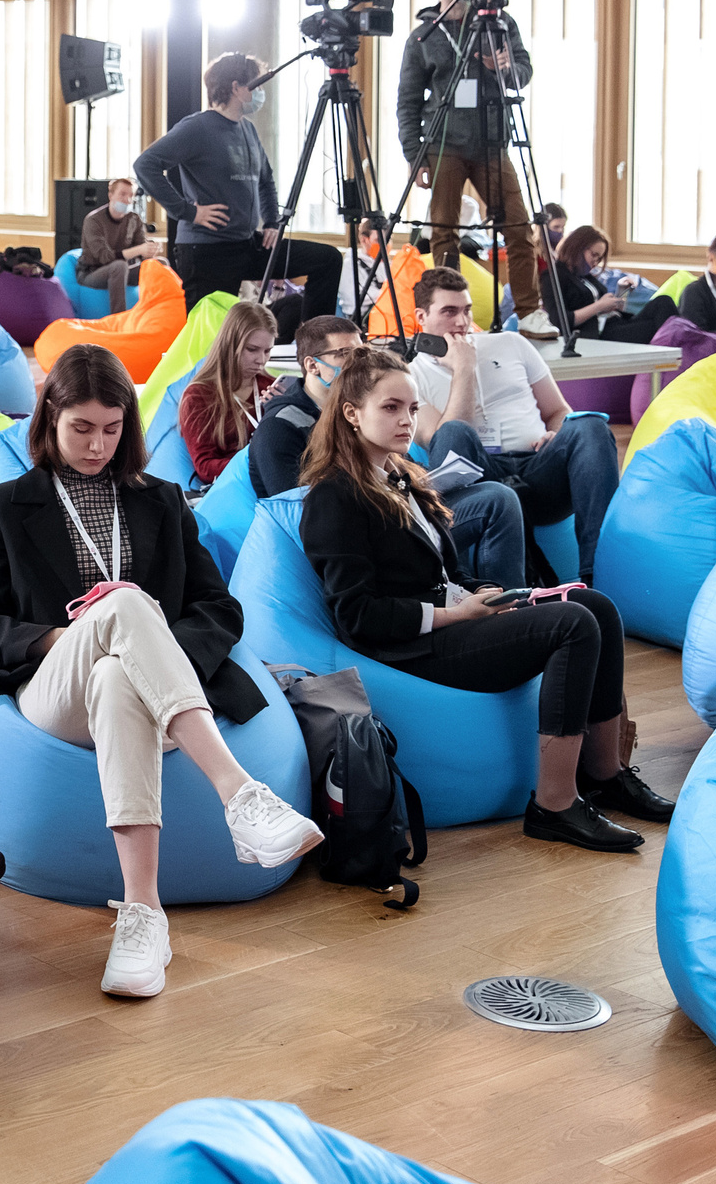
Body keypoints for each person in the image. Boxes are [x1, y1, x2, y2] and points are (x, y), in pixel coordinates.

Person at [0, 344, 320, 997]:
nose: (97, 445)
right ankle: (240, 794)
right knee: (120, 605)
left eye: (112, 428)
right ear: (49, 418)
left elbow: (219, 609)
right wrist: (71, 635)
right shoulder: (4, 505)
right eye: (81, 428)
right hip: (51, 693)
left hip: (153, 694)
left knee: (118, 677)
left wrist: (149, 649)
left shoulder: (163, 500)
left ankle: (143, 917)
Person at [300, 346, 668, 854]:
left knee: (597, 607)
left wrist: (483, 592)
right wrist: (454, 614)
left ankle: (606, 776)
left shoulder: (401, 477)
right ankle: (555, 805)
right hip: (409, 647)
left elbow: (443, 573)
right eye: (391, 407)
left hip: (451, 620)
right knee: (572, 625)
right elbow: (356, 615)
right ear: (351, 413)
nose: (407, 420)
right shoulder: (334, 496)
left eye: (412, 408)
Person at [247, 315, 528, 591]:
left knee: (487, 489)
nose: (357, 362)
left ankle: (503, 597)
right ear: (312, 365)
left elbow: (400, 472)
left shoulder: (372, 417)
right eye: (345, 353)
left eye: (362, 352)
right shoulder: (281, 428)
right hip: (369, 528)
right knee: (495, 497)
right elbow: (296, 512)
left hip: (395, 511)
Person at [405, 269, 619, 582]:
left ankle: (598, 573)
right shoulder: (411, 377)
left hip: (539, 469)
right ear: (421, 317)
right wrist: (464, 368)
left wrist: (555, 433)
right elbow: (441, 441)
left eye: (466, 310)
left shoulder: (511, 343)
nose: (462, 322)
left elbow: (558, 410)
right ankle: (459, 577)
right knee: (453, 432)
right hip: (480, 486)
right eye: (449, 312)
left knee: (589, 425)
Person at [396, 0, 551, 338]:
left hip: (492, 142)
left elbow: (523, 72)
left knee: (518, 226)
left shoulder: (499, 22)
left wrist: (505, 69)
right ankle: (447, 315)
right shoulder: (424, 35)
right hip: (443, 142)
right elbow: (407, 100)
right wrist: (414, 155)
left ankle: (529, 312)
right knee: (443, 232)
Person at [133, 53, 343, 327]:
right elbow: (145, 164)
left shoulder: (248, 129)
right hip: (207, 250)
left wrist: (271, 222)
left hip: (247, 244)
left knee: (327, 259)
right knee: (211, 338)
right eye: (258, 84)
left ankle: (316, 342)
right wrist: (187, 211)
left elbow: (266, 180)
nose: (261, 92)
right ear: (237, 87)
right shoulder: (197, 127)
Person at [177, 301, 277, 488]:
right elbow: (205, 467)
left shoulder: (272, 387)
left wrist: (285, 408)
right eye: (252, 349)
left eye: (267, 351)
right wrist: (257, 464)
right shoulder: (199, 396)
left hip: (273, 480)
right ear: (230, 345)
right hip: (233, 486)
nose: (261, 360)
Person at [550, 225, 675, 342]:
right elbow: (561, 320)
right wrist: (599, 306)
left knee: (664, 301)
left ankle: (679, 346)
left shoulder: (586, 276)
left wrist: (621, 292)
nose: (595, 262)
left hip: (616, 321)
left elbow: (606, 308)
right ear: (577, 247)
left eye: (599, 258)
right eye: (594, 255)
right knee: (664, 326)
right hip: (601, 332)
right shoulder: (557, 276)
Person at [79, 177, 164, 315]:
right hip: (93, 272)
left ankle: (157, 315)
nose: (127, 200)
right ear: (110, 195)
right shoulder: (93, 220)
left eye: (131, 195)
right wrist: (139, 250)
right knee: (119, 266)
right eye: (123, 194)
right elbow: (105, 257)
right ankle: (119, 318)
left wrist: (149, 250)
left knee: (160, 264)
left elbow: (141, 249)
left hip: (124, 271)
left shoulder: (134, 219)